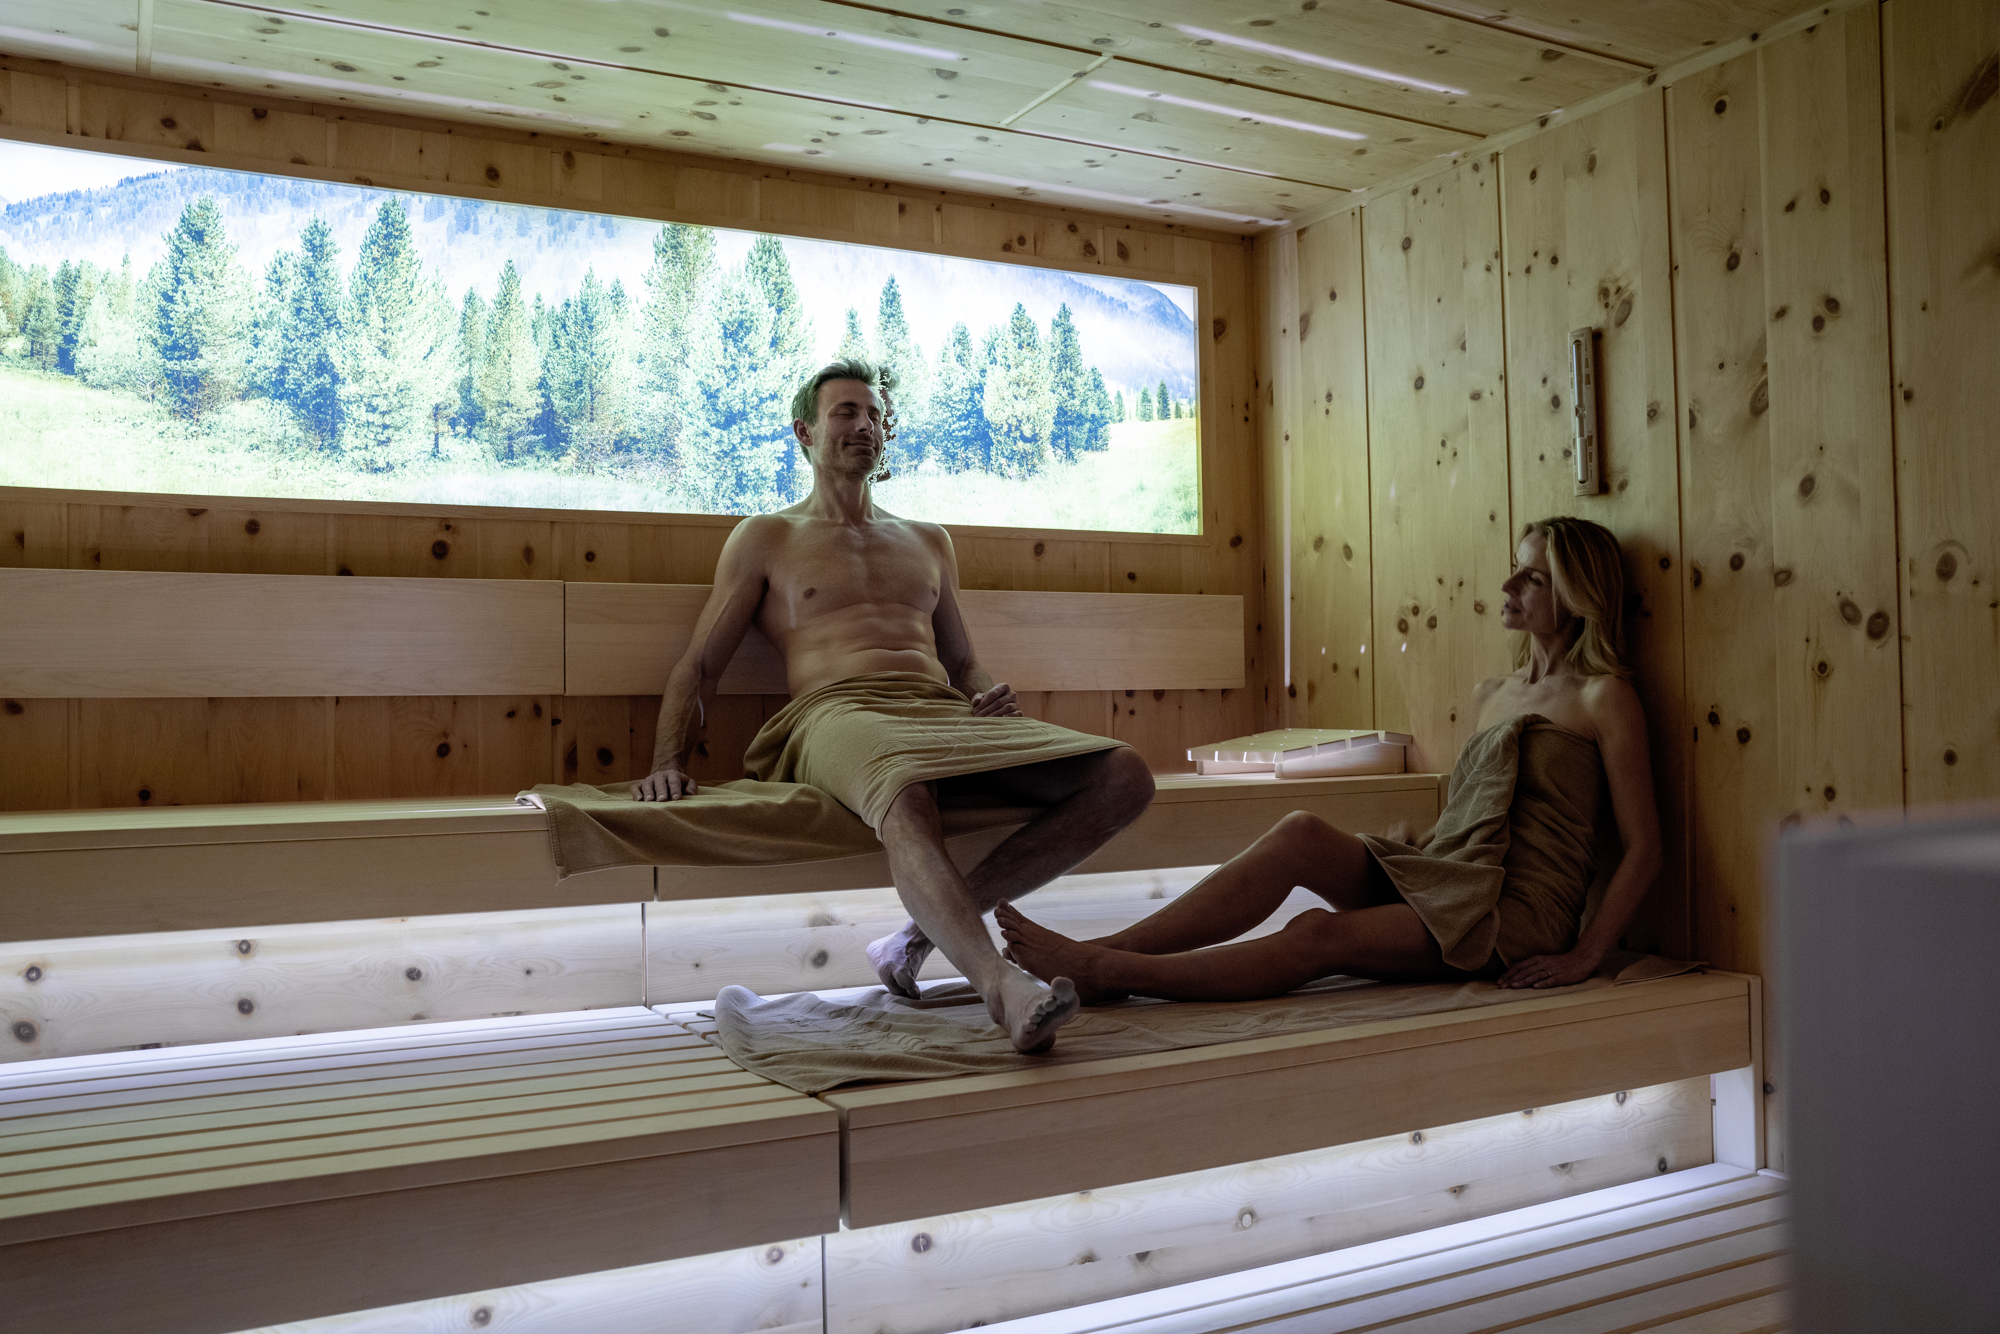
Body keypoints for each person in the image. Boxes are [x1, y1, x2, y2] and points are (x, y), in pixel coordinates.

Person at [631, 359, 1154, 1053]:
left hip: (936, 712)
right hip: (833, 715)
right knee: (908, 787)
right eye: (845, 412)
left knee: (1125, 775)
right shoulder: (767, 537)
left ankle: (911, 939)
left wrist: (985, 693)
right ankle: (1000, 985)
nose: (865, 425)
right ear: (805, 432)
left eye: (874, 414)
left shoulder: (927, 540)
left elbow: (962, 663)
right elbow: (700, 664)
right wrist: (667, 761)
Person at [998, 516, 1661, 1004]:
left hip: (1518, 915)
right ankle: (1105, 950)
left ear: (1576, 595)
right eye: (1515, 566)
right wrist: (1424, 843)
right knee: (1301, 834)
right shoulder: (1494, 694)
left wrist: (1585, 955)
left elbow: (1644, 848)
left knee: (1317, 932)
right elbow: (1485, 811)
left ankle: (1112, 972)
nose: (1508, 583)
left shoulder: (1604, 698)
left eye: (1533, 577)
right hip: (1456, 875)